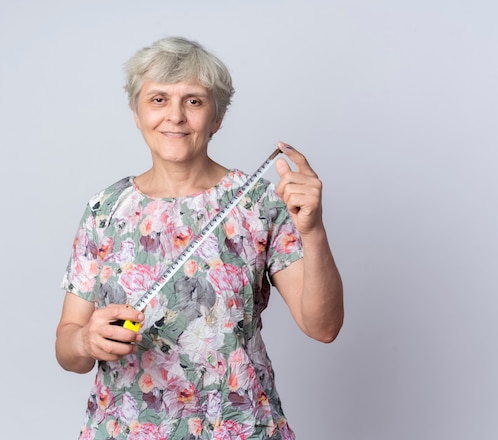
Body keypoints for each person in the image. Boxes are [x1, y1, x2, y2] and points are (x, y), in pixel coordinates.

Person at [56, 36, 343, 440]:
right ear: (136, 113)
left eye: (193, 101)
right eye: (158, 99)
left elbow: (323, 327)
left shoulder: (260, 204)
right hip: (124, 429)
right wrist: (85, 340)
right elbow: (67, 347)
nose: (174, 116)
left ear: (217, 117)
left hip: (239, 427)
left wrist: (313, 232)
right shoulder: (105, 210)